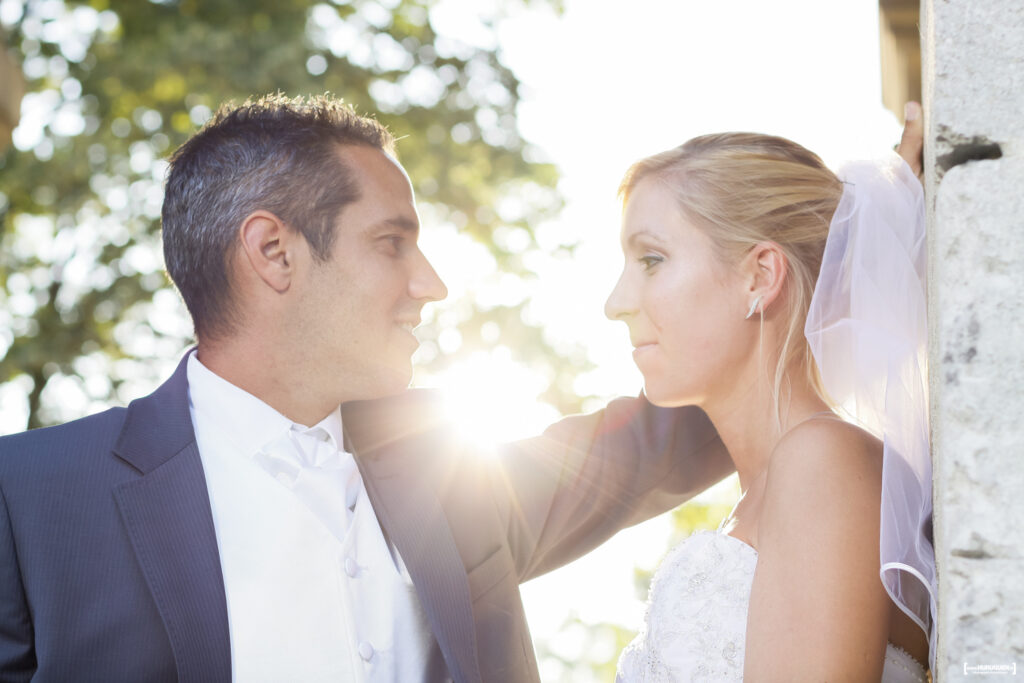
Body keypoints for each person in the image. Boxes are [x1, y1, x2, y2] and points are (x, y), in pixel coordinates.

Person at [0, 94, 734, 683]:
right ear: (273, 252)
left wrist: (798, 288)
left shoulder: (453, 471)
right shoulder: (29, 497)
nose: (432, 284)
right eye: (391, 242)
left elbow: (671, 439)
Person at [610, 106, 934, 681]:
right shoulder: (775, 488)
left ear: (760, 277)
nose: (616, 302)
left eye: (651, 260)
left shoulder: (823, 463)